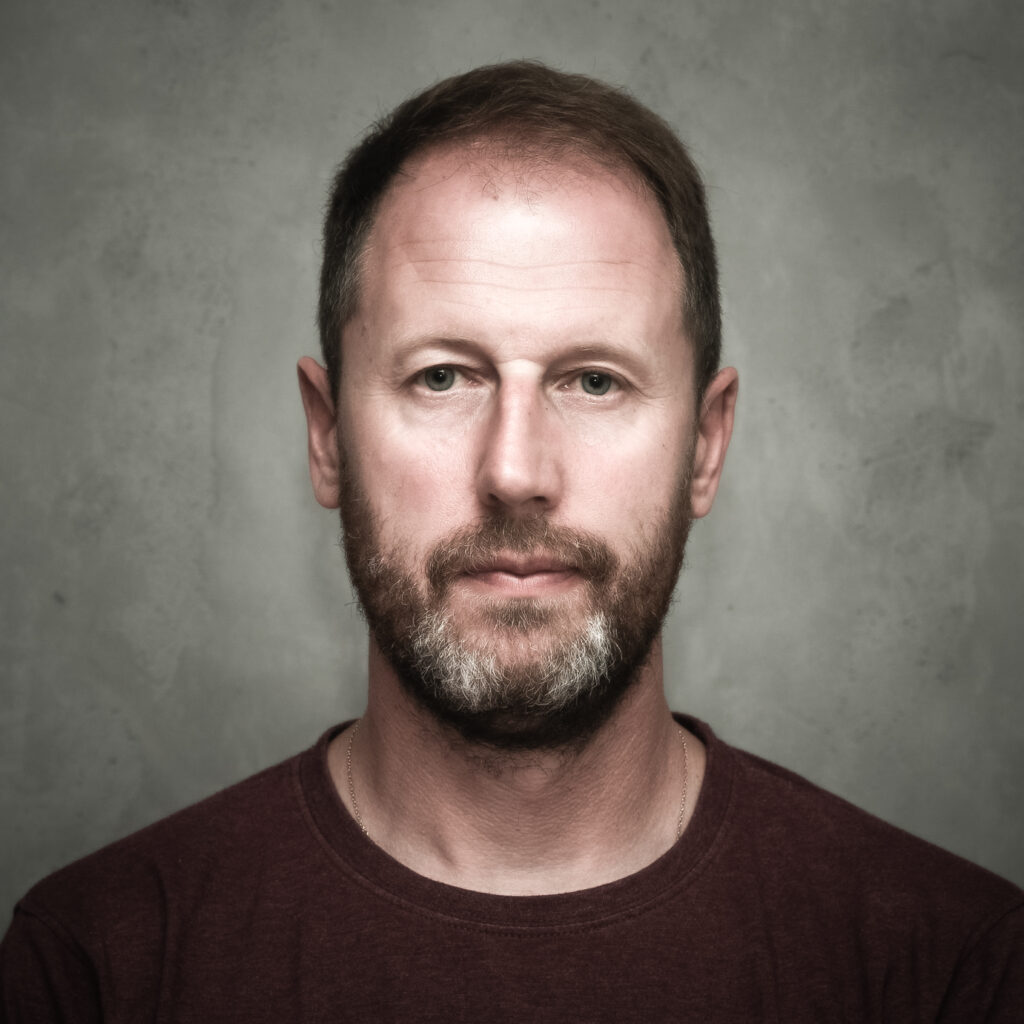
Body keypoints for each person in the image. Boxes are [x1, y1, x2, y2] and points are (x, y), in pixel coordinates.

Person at [2, 60, 1021, 1022]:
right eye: (442, 377)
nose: (516, 470)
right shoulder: (97, 969)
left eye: (594, 381)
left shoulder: (953, 972)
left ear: (705, 447)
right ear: (327, 436)